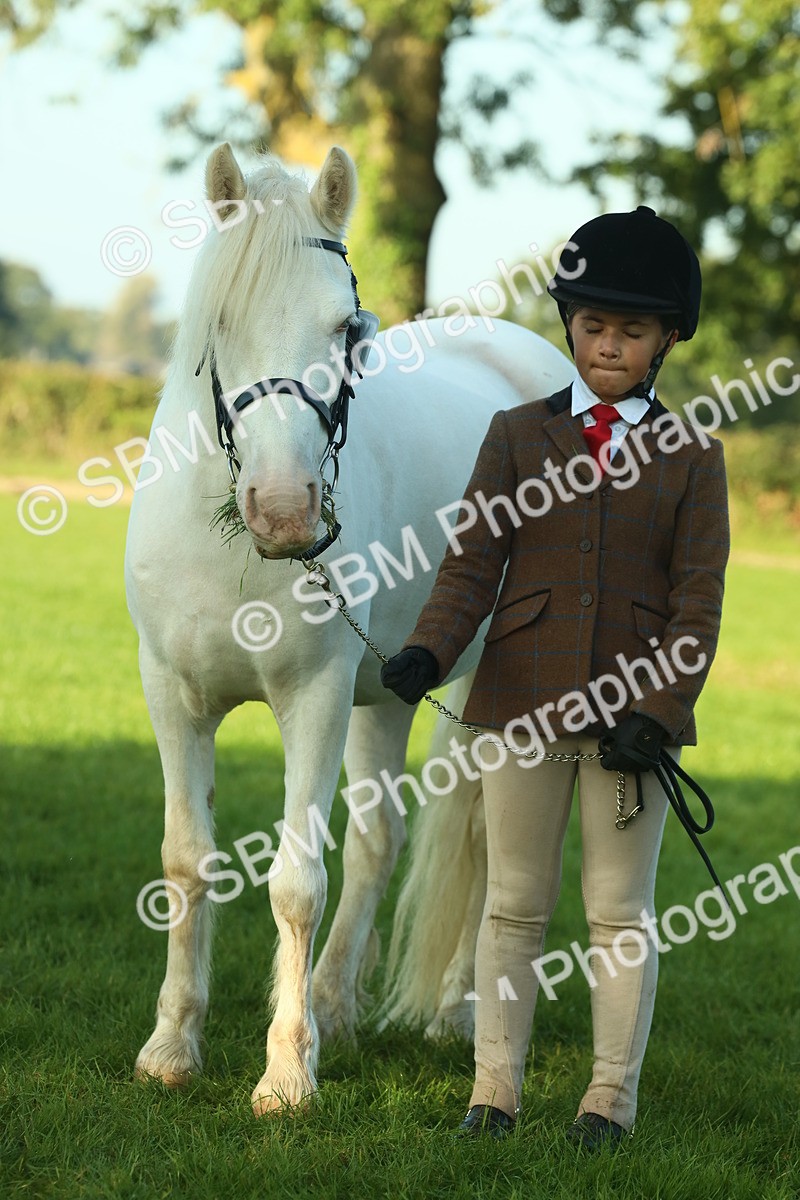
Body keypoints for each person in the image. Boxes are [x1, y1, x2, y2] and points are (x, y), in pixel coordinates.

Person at [380, 207, 730, 1150]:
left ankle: (608, 1100)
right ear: (569, 323)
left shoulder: (695, 457)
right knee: (514, 904)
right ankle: (494, 1092)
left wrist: (660, 713)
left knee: (618, 913)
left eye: (632, 331)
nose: (608, 345)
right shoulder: (514, 434)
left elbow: (698, 606)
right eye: (593, 325)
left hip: (631, 724)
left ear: (665, 341)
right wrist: (428, 651)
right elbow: (470, 567)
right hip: (519, 703)